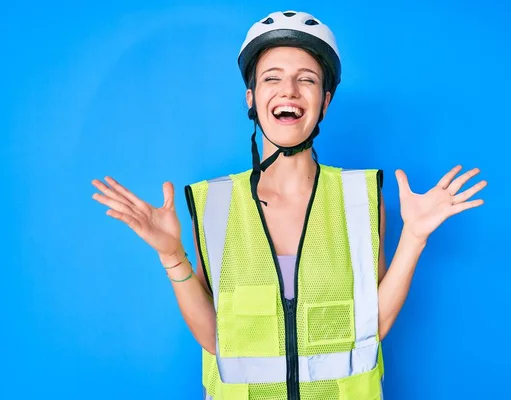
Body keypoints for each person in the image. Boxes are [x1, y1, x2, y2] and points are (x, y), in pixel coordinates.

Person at [91, 10, 486, 400]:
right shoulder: (214, 204)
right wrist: (172, 255)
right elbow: (215, 338)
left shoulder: (360, 198)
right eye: (272, 78)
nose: (289, 91)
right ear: (252, 98)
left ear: (325, 101)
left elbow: (372, 327)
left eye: (307, 80)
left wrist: (414, 238)